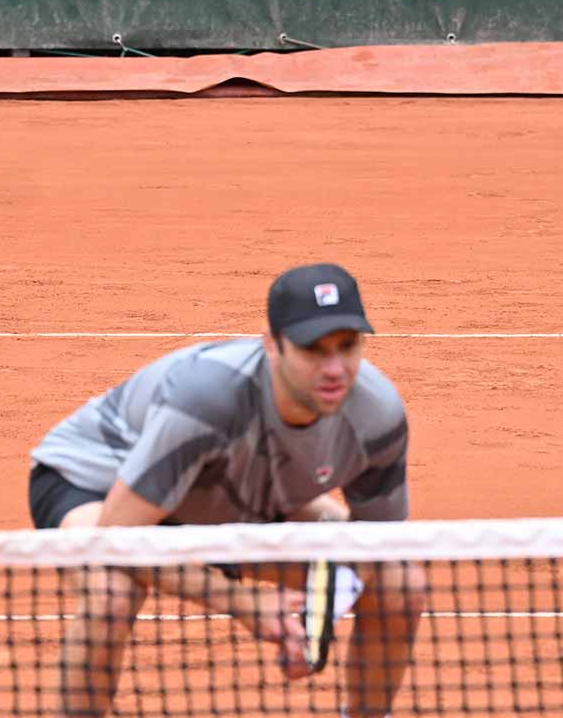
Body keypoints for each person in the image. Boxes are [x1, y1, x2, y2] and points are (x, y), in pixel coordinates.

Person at [28, 263, 427, 718]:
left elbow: (375, 548)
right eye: (314, 350)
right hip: (99, 484)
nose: (334, 368)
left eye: (347, 346)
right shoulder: (209, 398)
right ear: (272, 344)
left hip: (236, 498)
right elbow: (117, 538)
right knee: (110, 593)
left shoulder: (377, 416)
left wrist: (315, 622)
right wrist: (239, 601)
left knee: (401, 582)